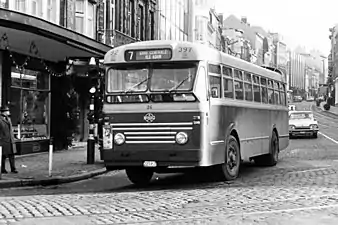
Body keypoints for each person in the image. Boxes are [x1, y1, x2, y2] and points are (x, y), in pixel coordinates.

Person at [0, 105, 18, 174]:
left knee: (12, 155)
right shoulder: (0, 119)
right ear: (3, 112)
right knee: (3, 156)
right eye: (7, 111)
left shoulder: (8, 118)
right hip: (3, 140)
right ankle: (2, 169)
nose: (8, 112)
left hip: (10, 139)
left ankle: (13, 168)